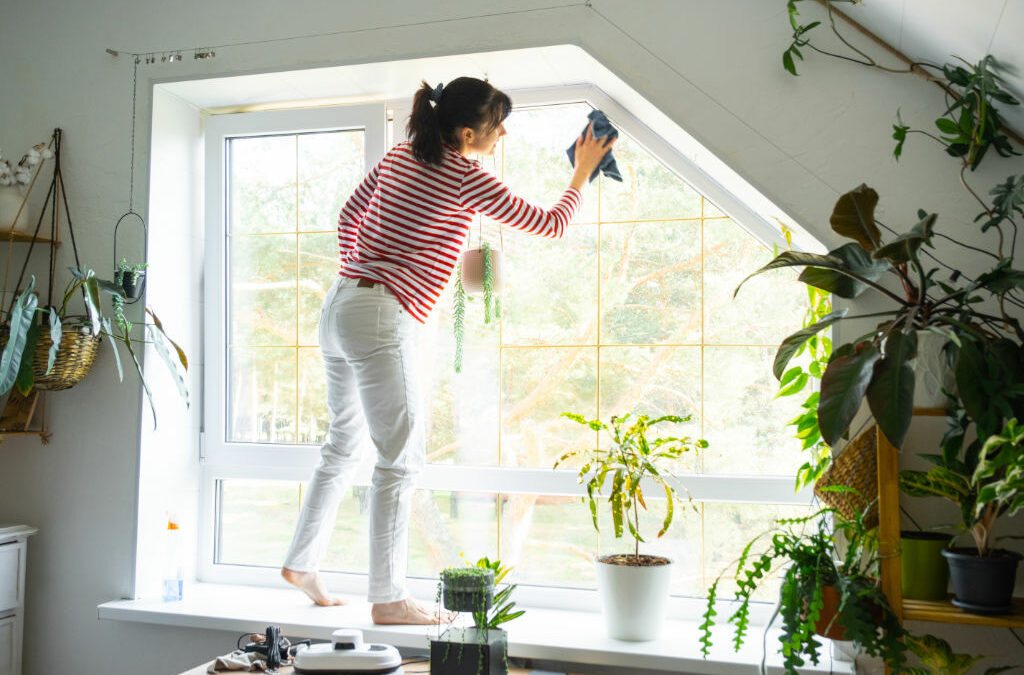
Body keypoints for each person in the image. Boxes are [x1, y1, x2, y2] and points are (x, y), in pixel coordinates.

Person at [281, 76, 616, 624]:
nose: (503, 133)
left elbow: (348, 217)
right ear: (467, 132)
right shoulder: (464, 174)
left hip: (340, 305)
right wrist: (581, 171)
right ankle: (388, 599)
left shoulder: (399, 155)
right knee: (400, 461)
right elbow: (549, 224)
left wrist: (362, 274)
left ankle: (301, 562)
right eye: (497, 125)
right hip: (382, 315)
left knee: (342, 445)